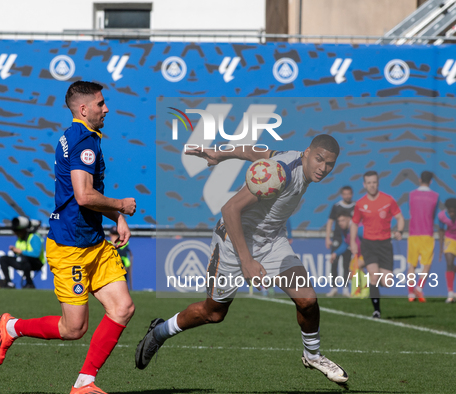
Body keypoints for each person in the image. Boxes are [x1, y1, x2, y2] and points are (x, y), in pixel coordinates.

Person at [135, 135, 349, 386]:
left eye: (329, 164)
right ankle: (159, 332)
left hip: (272, 242)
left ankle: (312, 356)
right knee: (213, 313)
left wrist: (221, 155)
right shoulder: (281, 173)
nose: (323, 168)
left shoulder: (292, 161)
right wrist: (246, 260)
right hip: (233, 243)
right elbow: (230, 209)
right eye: (319, 159)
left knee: (308, 300)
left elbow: (256, 153)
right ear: (307, 152)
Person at [0, 81, 137, 394]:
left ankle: (84, 383)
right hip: (70, 247)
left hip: (94, 242)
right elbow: (84, 197)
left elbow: (82, 195)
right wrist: (122, 205)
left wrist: (117, 217)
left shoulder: (79, 136)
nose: (106, 108)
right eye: (100, 104)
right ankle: (12, 326)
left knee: (122, 308)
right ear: (84, 109)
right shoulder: (84, 141)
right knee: (73, 329)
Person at [350, 171, 404, 319]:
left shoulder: (388, 200)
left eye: (374, 182)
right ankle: (376, 311)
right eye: (369, 183)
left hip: (385, 244)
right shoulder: (360, 204)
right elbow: (354, 224)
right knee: (374, 277)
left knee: (387, 282)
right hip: (369, 244)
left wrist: (399, 231)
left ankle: (373, 280)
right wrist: (353, 243)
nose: (372, 185)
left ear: (378, 183)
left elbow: (400, 218)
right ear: (364, 185)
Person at [406, 171, 439, 303]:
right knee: (426, 264)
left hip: (414, 233)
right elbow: (433, 214)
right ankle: (419, 287)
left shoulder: (412, 195)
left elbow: (411, 210)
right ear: (431, 181)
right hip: (427, 233)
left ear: (420, 180)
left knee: (411, 265)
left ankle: (410, 293)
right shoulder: (435, 196)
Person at [0, 216, 44, 289]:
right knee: (3, 259)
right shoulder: (20, 239)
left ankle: (30, 284)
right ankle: (8, 283)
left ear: (23, 230)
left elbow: (36, 254)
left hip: (37, 263)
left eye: (17, 231)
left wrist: (20, 251)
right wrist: (15, 251)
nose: (16, 233)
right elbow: (19, 254)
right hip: (23, 261)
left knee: (25, 260)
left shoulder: (34, 237)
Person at [325, 186, 355, 297]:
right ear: (342, 195)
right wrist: (327, 238)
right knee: (334, 262)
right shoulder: (336, 206)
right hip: (338, 239)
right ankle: (333, 287)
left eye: (349, 194)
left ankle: (346, 288)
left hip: (349, 239)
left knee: (346, 264)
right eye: (345, 194)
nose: (347, 196)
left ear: (352, 194)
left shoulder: (355, 206)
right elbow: (330, 222)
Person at [438, 198, 456, 303]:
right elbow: (441, 230)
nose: (451, 213)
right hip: (449, 239)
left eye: (454, 211)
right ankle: (450, 294)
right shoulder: (442, 216)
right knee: (449, 263)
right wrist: (441, 248)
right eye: (450, 211)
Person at [109, 225, 133, 291]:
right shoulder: (107, 243)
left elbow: (121, 252)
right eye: (113, 235)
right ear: (110, 234)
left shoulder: (124, 243)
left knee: (122, 286)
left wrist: (114, 245)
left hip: (123, 266)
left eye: (116, 235)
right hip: (110, 268)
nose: (115, 237)